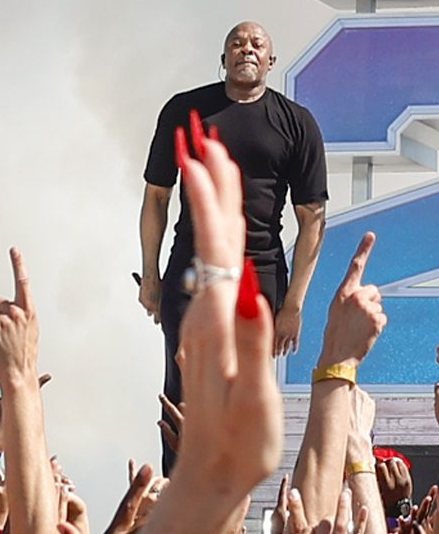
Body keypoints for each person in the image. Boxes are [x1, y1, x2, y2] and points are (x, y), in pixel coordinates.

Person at [138, 21, 327, 422]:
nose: (247, 50)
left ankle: (238, 486)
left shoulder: (296, 123)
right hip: (192, 267)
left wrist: (293, 305)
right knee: (183, 383)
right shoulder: (183, 111)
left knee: (245, 390)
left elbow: (312, 217)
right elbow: (157, 196)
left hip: (259, 272)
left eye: (257, 44)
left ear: (271, 60)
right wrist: (151, 276)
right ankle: (180, 482)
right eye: (237, 44)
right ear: (223, 58)